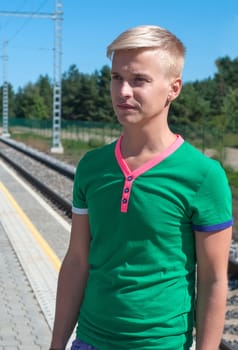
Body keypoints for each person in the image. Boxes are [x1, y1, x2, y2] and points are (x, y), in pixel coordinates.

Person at [49, 25, 233, 350]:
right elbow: (77, 259)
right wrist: (56, 344)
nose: (123, 92)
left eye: (139, 80)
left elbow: (214, 280)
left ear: (173, 88)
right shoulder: (92, 167)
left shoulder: (204, 176)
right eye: (116, 77)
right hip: (90, 341)